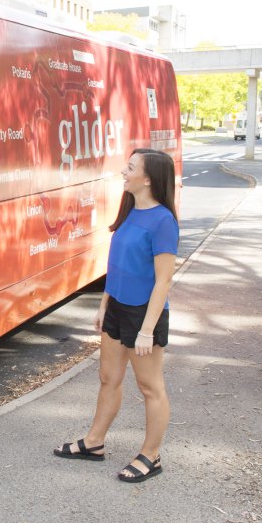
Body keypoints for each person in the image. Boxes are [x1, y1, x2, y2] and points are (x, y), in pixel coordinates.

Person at [53, 148, 179, 483]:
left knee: (149, 386)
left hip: (144, 315)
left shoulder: (164, 221)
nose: (124, 171)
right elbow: (117, 263)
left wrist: (146, 330)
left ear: (149, 178)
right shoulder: (129, 210)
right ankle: (94, 442)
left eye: (131, 167)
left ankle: (151, 455)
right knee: (109, 378)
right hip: (118, 307)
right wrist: (104, 303)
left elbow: (163, 280)